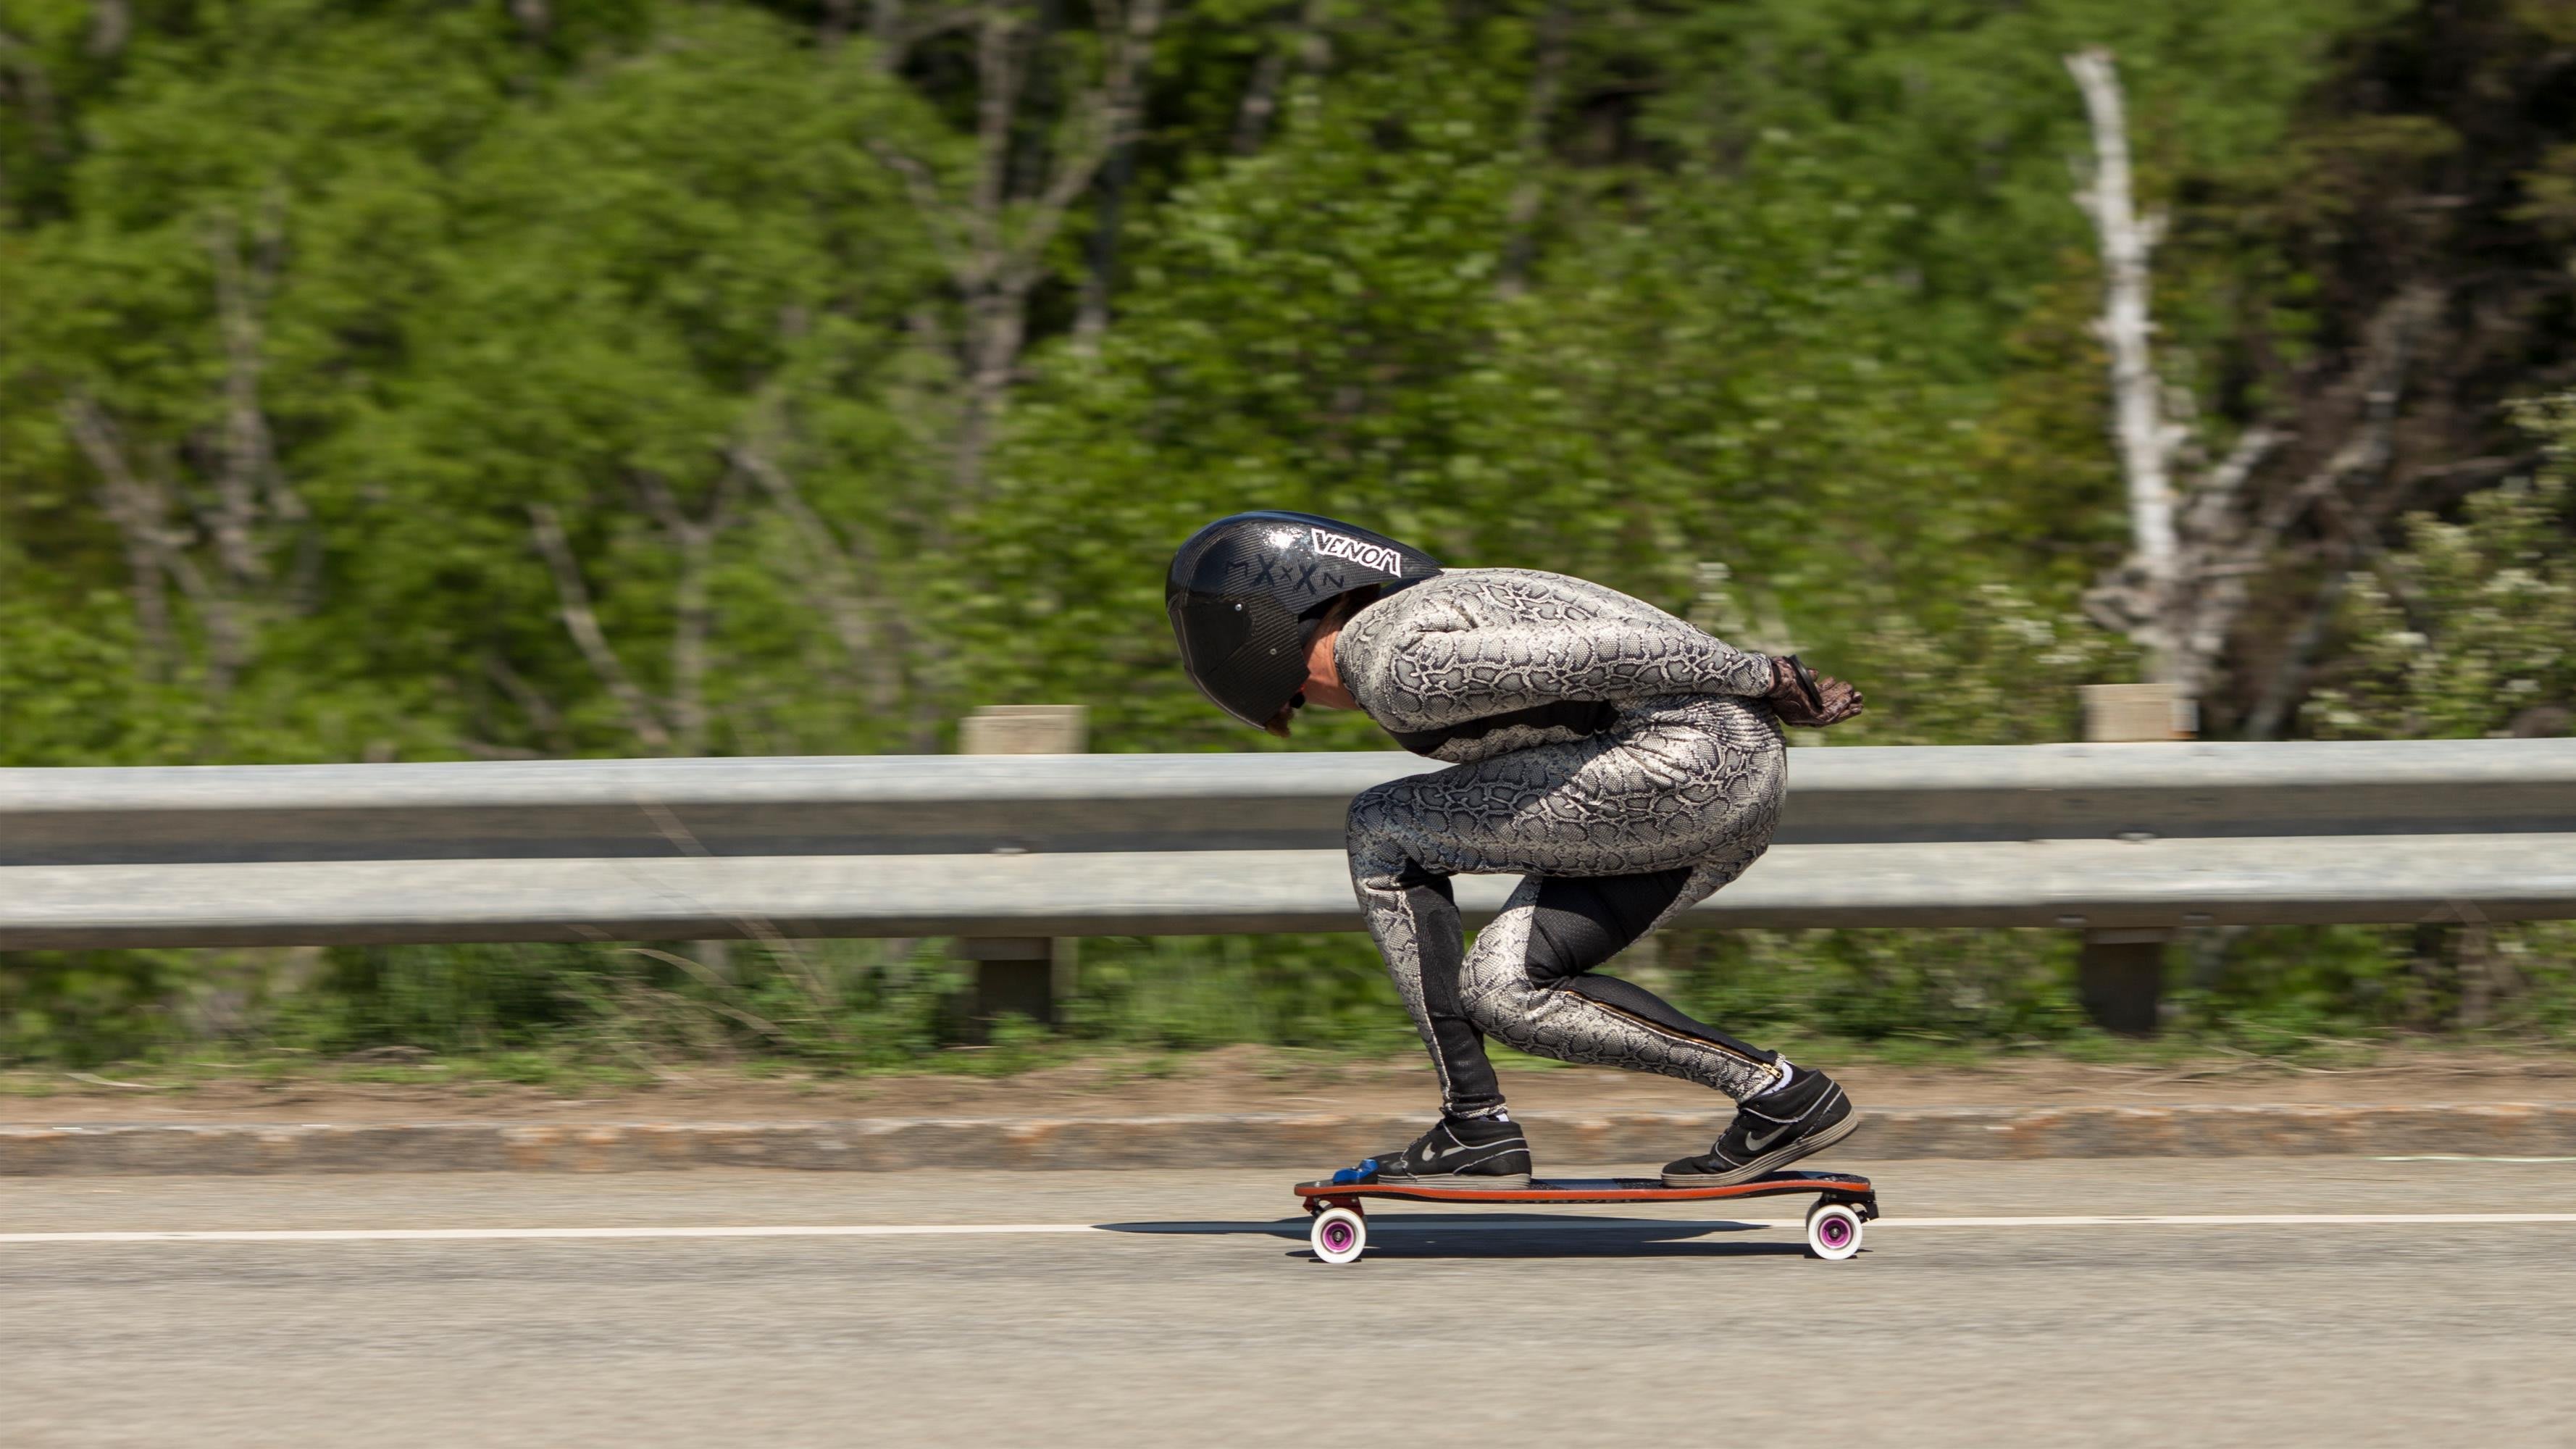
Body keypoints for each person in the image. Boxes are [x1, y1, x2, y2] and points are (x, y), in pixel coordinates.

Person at [1166, 510, 1867, 1187]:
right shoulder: (1416, 612)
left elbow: (1607, 652)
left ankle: (1473, 1123)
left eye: (1294, 696)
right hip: (1712, 781)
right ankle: (1780, 1095)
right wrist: (1756, 686)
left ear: (1260, 637)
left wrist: (1764, 676)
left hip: (1686, 763)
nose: (1304, 705)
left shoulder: (1391, 660)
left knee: (1379, 826)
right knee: (1506, 992)